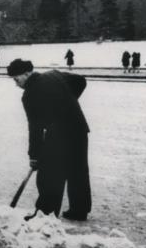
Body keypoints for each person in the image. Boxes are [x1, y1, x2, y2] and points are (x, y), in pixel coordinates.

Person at [7, 58, 91, 222]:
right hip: (78, 127)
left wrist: (34, 155)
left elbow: (35, 128)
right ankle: (79, 210)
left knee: (50, 173)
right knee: (78, 170)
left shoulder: (29, 95)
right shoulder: (54, 75)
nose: (16, 84)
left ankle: (45, 213)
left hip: (59, 134)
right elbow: (80, 81)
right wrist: (69, 101)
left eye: (16, 79)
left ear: (26, 73)